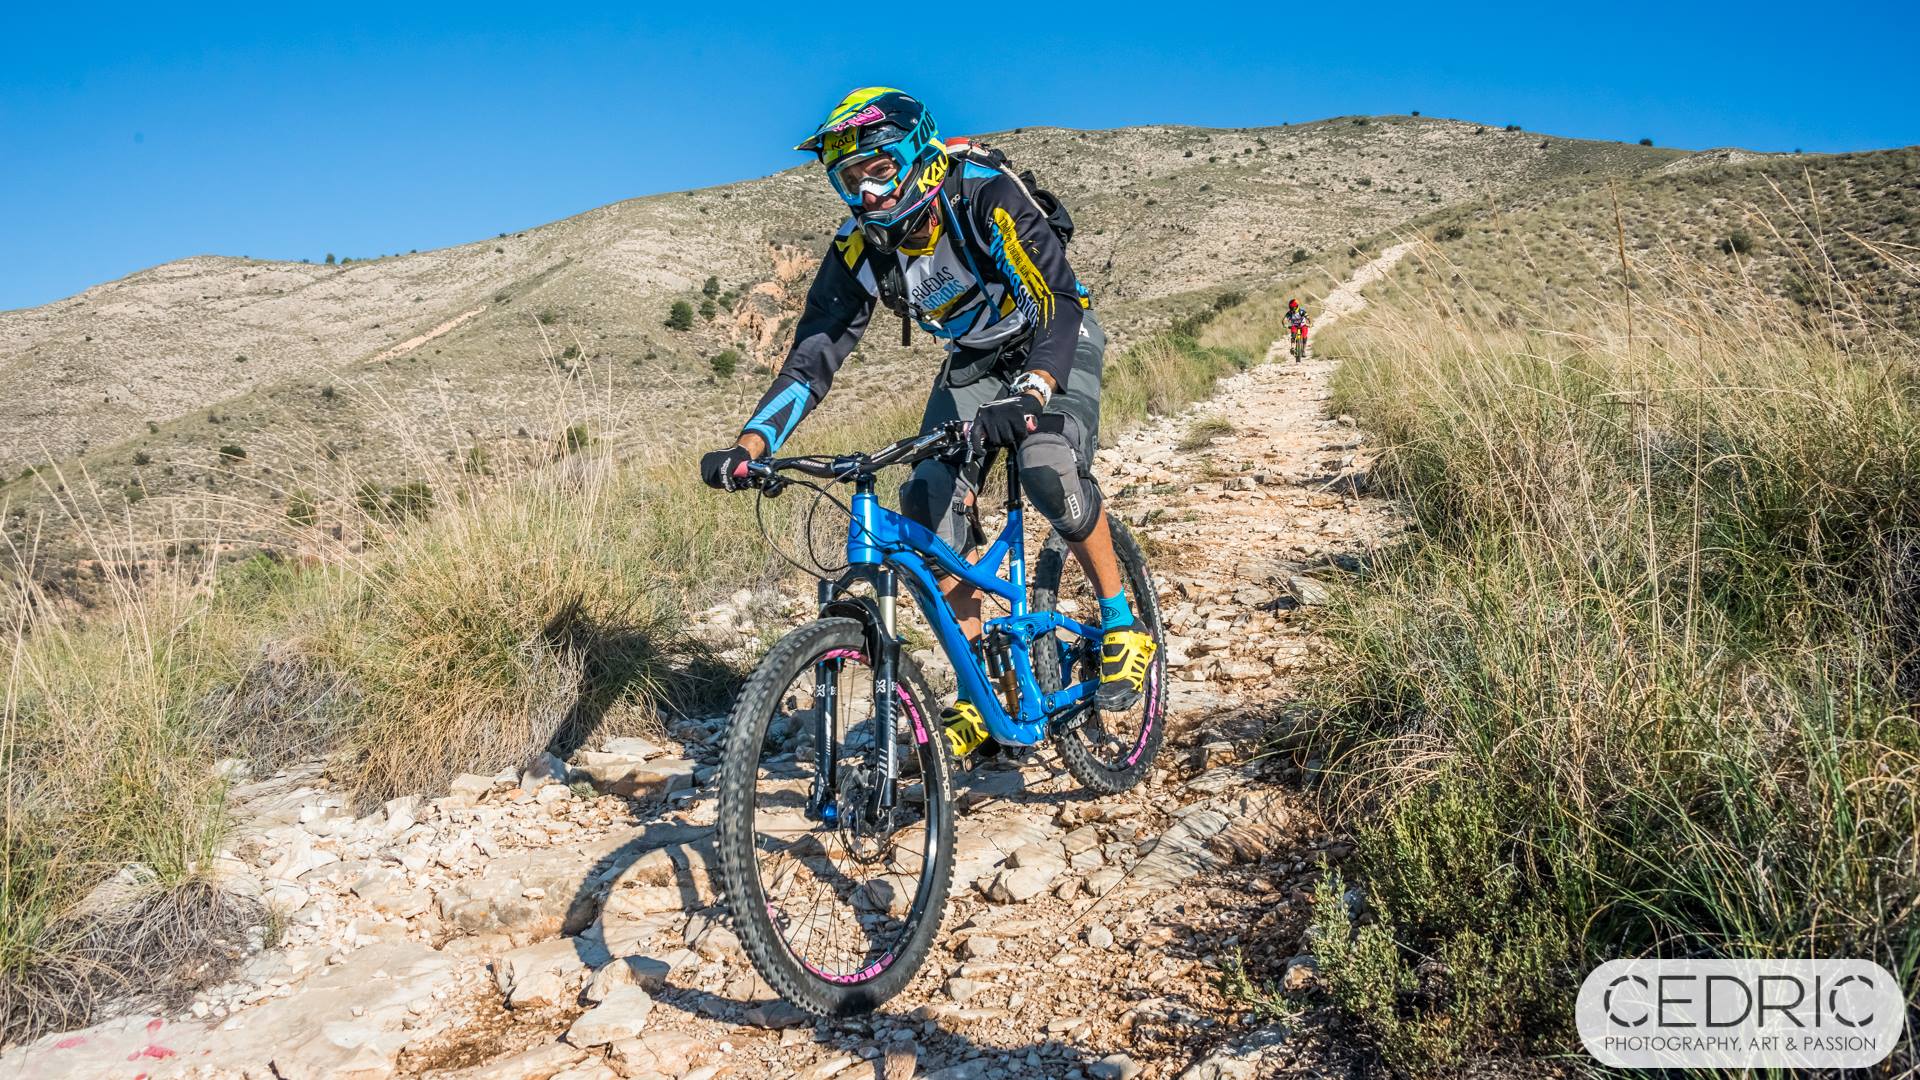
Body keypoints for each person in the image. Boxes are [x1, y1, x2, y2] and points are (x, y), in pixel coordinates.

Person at [698, 87, 1155, 755]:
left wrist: (1032, 391)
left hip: (1054, 337)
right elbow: (811, 359)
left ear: (916, 157)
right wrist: (750, 446)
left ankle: (1120, 624)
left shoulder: (982, 192)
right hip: (973, 363)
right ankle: (977, 697)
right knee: (925, 506)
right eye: (851, 178)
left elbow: (1058, 299)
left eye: (879, 169)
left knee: (1047, 466)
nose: (869, 192)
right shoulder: (862, 248)